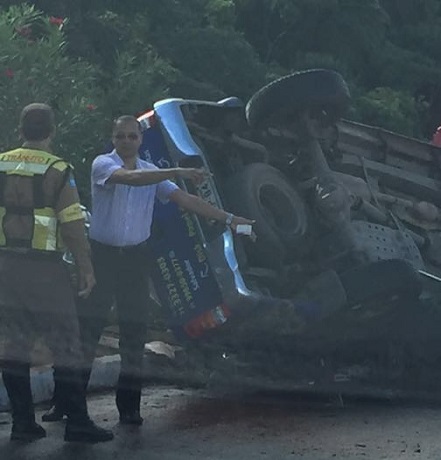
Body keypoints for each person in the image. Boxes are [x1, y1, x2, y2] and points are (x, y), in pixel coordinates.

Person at [44, 115, 254, 426]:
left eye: (132, 136)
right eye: (121, 136)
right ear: (113, 138)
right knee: (87, 331)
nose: (126, 141)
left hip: (134, 259)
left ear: (140, 140)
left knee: (134, 334)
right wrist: (178, 171)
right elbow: (129, 180)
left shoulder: (152, 172)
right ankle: (66, 403)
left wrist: (231, 219)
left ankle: (129, 409)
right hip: (102, 256)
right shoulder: (103, 164)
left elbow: (186, 200)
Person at [0, 103, 113, 443]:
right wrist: (86, 267)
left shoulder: (1, 163)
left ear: (21, 129)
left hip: (4, 266)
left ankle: (23, 423)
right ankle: (77, 422)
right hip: (43, 269)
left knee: (13, 343)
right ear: (52, 130)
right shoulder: (58, 169)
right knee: (66, 341)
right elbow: (73, 224)